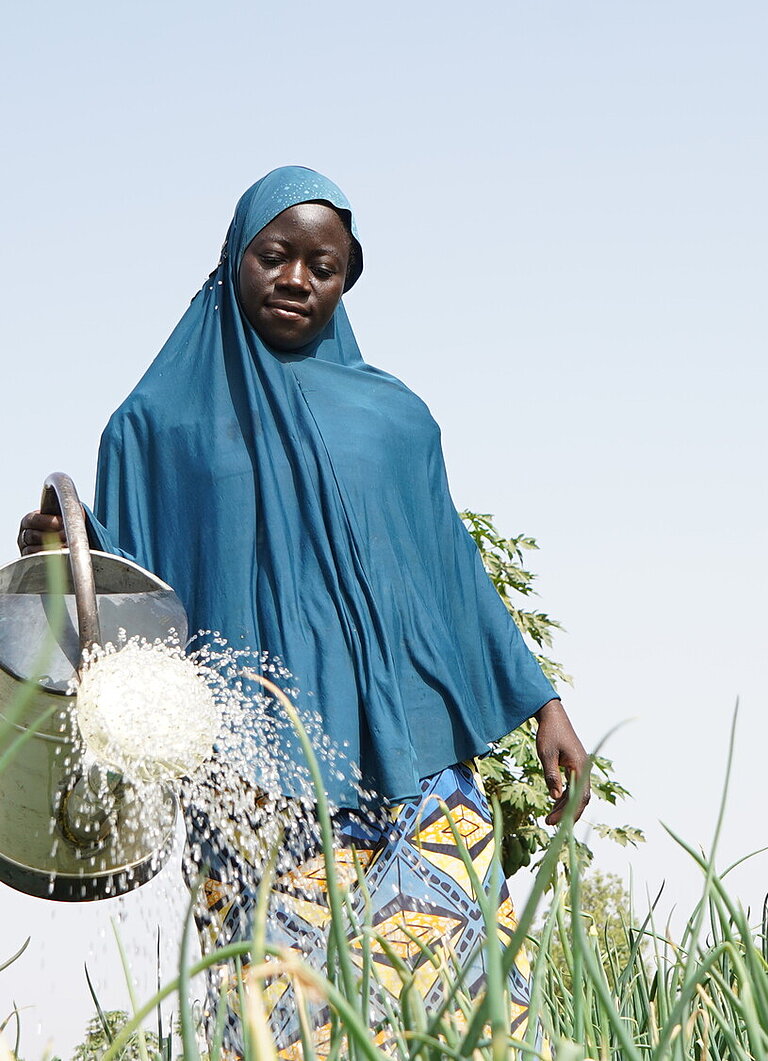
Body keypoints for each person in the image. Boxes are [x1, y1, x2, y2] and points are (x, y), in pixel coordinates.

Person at [19, 166, 589, 1053]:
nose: (296, 280)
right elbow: (124, 599)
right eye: (275, 257)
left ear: (347, 279)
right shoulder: (154, 425)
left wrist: (541, 701)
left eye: (322, 266)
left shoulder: (399, 420)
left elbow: (449, 566)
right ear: (233, 263)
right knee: (282, 1027)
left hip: (418, 769)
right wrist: (64, 552)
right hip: (250, 780)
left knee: (466, 1021)